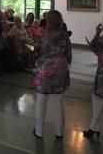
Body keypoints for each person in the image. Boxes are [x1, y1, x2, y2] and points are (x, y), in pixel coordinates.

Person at [31, 10, 71, 139]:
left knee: (41, 101)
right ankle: (59, 132)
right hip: (59, 72)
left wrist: (32, 48)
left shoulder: (42, 34)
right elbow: (68, 54)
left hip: (44, 72)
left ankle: (39, 131)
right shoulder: (64, 35)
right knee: (58, 102)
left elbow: (36, 50)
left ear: (49, 20)